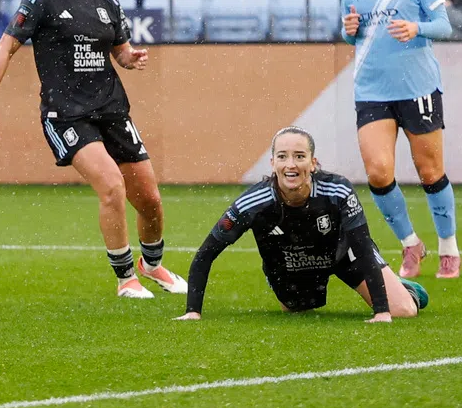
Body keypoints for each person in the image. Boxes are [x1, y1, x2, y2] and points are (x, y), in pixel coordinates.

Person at [0, 0, 188, 298]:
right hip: (66, 115)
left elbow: (118, 50)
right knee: (111, 187)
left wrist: (130, 58)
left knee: (151, 201)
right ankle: (126, 279)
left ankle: (152, 266)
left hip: (112, 110)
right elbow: (5, 48)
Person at [177, 127, 426, 322]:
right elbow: (206, 254)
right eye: (282, 157)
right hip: (291, 261)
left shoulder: (337, 190)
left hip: (345, 253)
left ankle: (405, 289)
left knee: (403, 310)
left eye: (299, 156)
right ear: (272, 163)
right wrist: (192, 311)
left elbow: (362, 246)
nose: (291, 165)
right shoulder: (252, 202)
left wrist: (381, 311)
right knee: (298, 311)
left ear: (313, 163)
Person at [341, 0, 457, 278]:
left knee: (429, 171)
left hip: (417, 86)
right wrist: (347, 32)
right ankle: (410, 244)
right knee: (378, 172)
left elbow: (444, 26)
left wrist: (416, 28)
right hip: (371, 89)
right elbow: (350, 33)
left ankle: (447, 247)